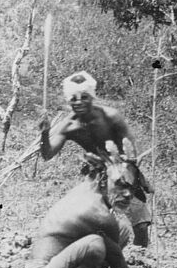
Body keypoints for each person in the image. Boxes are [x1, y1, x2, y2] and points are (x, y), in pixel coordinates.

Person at [23, 147, 166, 268]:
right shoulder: (98, 214)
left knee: (120, 232)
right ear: (103, 179)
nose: (128, 194)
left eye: (131, 187)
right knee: (95, 245)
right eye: (120, 185)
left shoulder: (89, 190)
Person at [39, 71, 153, 247]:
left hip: (122, 171)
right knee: (88, 217)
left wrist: (128, 175)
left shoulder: (111, 116)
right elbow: (47, 154)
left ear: (92, 97)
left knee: (140, 223)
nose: (79, 102)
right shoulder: (69, 125)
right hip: (97, 174)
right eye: (73, 99)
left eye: (84, 97)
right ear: (68, 101)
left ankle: (141, 259)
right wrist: (44, 133)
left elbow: (131, 149)